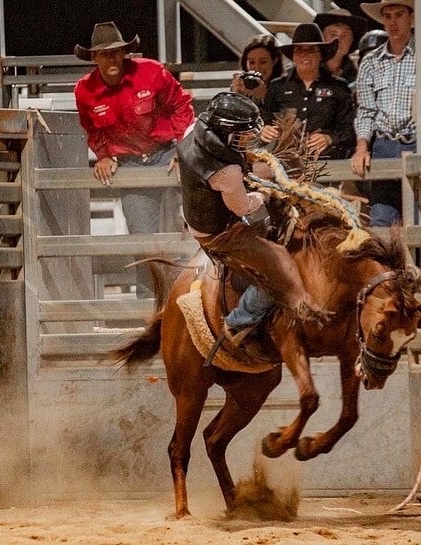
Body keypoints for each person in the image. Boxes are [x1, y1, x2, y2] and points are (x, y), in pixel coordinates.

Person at [177, 92, 327, 347]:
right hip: (220, 232)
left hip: (200, 214)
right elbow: (243, 207)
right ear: (224, 133)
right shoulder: (227, 172)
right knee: (280, 264)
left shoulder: (194, 130)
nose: (248, 140)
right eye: (242, 136)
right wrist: (264, 192)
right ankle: (238, 322)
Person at [74, 22, 194, 295]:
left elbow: (180, 106)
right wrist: (103, 155)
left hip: (166, 154)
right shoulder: (85, 91)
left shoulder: (151, 72)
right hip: (129, 163)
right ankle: (148, 304)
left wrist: (182, 150)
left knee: (191, 223)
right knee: (142, 238)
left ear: (125, 53)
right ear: (94, 58)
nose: (112, 58)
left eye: (116, 52)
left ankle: (192, 293)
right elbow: (92, 128)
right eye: (104, 54)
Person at [351, 0, 421, 226]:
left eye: (399, 15)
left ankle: (418, 261)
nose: (393, 22)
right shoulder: (371, 62)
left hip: (420, 142)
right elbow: (366, 110)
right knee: (381, 218)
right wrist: (362, 147)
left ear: (411, 18)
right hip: (384, 145)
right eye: (387, 17)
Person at [259, 23, 355, 160]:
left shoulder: (338, 87)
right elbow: (263, 117)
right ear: (293, 56)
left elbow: (350, 127)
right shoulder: (277, 87)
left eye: (311, 50)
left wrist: (330, 138)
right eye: (299, 50)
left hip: (327, 160)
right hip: (284, 162)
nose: (305, 54)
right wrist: (264, 129)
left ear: (321, 55)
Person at [313, 8, 368, 85]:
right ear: (321, 38)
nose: (338, 40)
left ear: (352, 41)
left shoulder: (361, 77)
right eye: (333, 34)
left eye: (344, 35)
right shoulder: (306, 70)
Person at [230, 34, 284, 106]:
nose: (257, 68)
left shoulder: (286, 87)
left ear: (274, 61)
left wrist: (265, 97)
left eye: (263, 62)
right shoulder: (241, 84)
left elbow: (285, 115)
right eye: (251, 62)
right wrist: (237, 96)